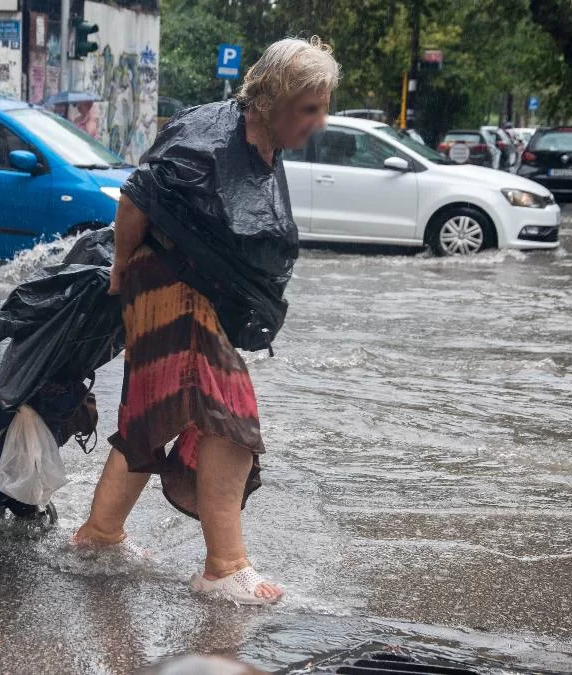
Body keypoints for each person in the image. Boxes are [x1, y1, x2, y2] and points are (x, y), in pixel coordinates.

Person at [72, 37, 340, 605]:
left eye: (322, 106)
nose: (320, 120)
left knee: (153, 410)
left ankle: (99, 535)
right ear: (270, 99)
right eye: (309, 108)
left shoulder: (268, 146)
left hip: (193, 293)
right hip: (162, 281)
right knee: (229, 411)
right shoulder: (208, 138)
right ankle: (223, 566)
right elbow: (133, 200)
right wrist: (121, 274)